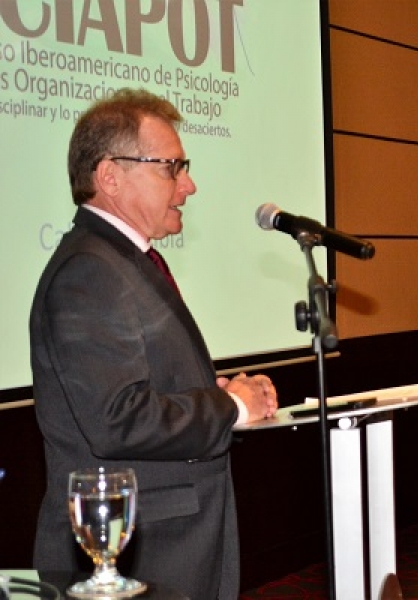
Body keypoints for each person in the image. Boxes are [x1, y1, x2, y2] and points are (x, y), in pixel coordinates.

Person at [29, 88, 278, 600]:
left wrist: (214, 394)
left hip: (164, 542)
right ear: (110, 177)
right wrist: (230, 408)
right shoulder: (90, 272)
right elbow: (117, 418)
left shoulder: (121, 262)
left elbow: (136, 390)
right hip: (134, 552)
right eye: (171, 167)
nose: (189, 185)